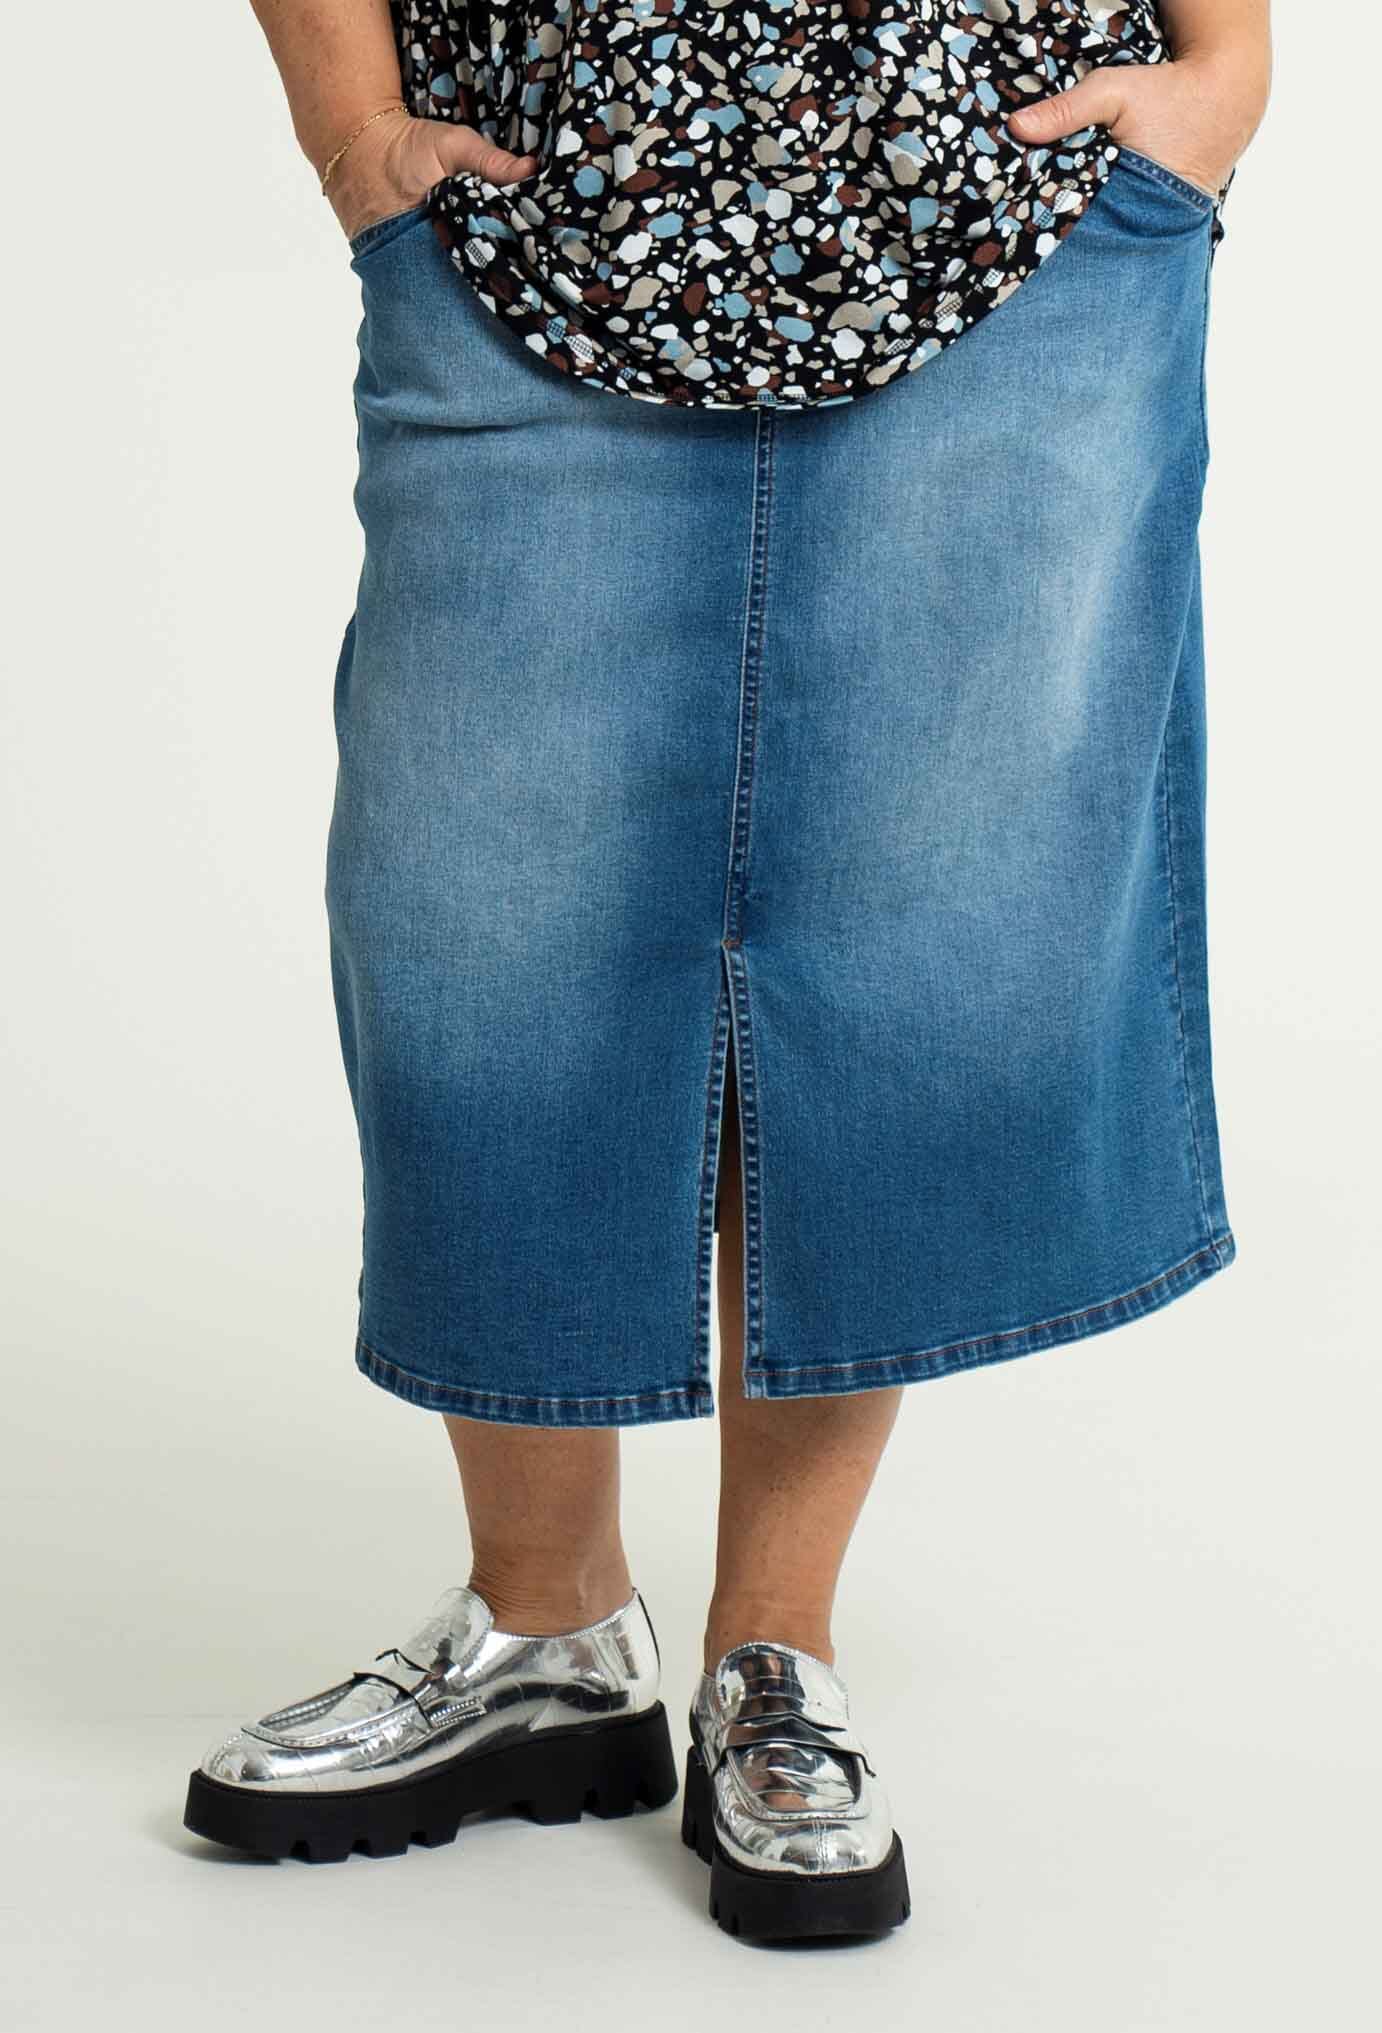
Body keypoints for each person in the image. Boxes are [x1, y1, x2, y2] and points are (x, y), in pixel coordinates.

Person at [183, 0, 1270, 1943]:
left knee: (896, 948)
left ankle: (775, 1654)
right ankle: (543, 1633)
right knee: (477, 936)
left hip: (1005, 212)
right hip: (533, 212)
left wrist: (1221, 77)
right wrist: (352, 130)